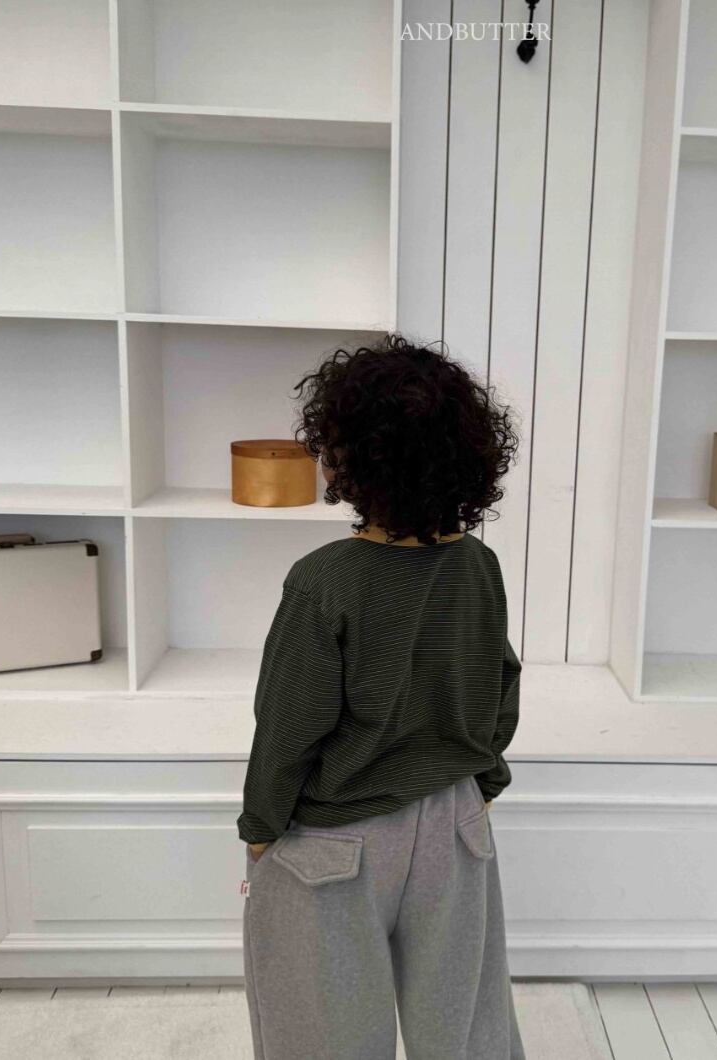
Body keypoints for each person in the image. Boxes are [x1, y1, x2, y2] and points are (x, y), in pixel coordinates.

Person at [237, 332, 527, 1059]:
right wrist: (484, 782)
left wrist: (262, 827)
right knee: (465, 1028)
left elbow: (289, 723)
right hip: (457, 822)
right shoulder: (479, 565)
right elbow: (499, 682)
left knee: (321, 1032)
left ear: (347, 459)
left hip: (337, 838)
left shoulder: (325, 579)